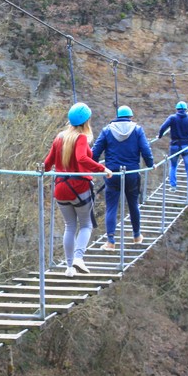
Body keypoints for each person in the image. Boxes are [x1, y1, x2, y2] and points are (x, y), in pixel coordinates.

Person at [43, 102, 113, 276]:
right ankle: (78, 259)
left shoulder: (59, 137)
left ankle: (68, 268)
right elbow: (81, 158)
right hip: (79, 188)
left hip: (60, 188)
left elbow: (47, 163)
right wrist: (102, 169)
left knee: (69, 226)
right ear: (86, 121)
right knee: (86, 225)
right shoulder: (81, 138)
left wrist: (38, 172)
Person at [91, 105, 154, 249]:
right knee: (133, 205)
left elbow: (94, 153)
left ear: (117, 116)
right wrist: (151, 164)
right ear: (130, 116)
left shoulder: (107, 130)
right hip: (132, 174)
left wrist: (95, 168)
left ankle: (111, 242)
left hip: (112, 174)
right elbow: (146, 150)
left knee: (111, 207)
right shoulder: (137, 130)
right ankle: (137, 236)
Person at [158, 100, 188, 201]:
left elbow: (162, 128)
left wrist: (160, 136)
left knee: (173, 166)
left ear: (177, 109)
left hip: (174, 146)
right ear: (186, 110)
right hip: (186, 146)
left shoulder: (172, 118)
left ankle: (173, 186)